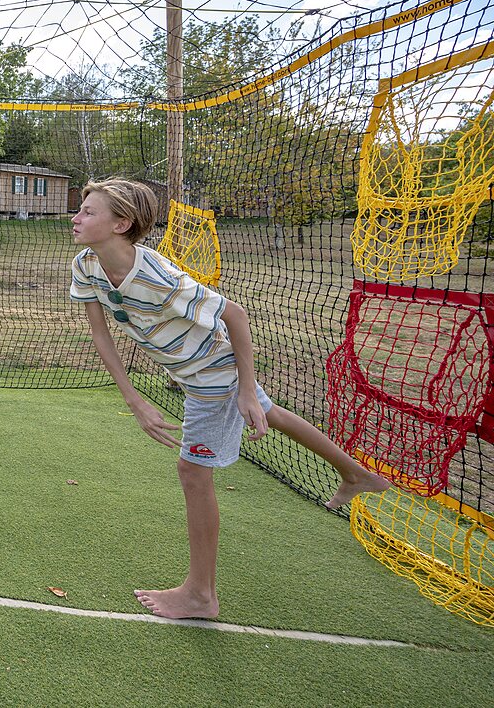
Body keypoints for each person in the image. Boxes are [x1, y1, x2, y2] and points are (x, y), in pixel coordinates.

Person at [69, 177, 389, 620]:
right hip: (189, 372)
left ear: (121, 224)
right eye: (80, 209)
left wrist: (243, 389)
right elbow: (100, 334)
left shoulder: (157, 275)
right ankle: (355, 474)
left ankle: (201, 594)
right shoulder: (86, 264)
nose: (76, 216)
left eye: (89, 212)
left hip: (214, 378)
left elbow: (234, 314)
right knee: (271, 412)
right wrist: (135, 401)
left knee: (192, 471)